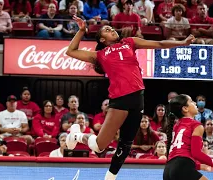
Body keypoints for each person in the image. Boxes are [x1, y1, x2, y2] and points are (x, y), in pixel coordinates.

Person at [65, 15, 195, 180]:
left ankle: (110, 178)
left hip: (138, 97)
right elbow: (71, 51)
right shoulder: (100, 54)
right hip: (119, 100)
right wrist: (82, 30)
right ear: (103, 40)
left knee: (126, 144)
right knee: (99, 146)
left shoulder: (130, 42)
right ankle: (76, 135)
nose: (111, 29)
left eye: (111, 28)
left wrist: (182, 43)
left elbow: (159, 44)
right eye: (107, 30)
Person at [163, 94, 213, 180]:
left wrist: (202, 167)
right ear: (185, 108)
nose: (195, 103)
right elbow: (196, 153)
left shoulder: (176, 126)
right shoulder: (196, 125)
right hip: (182, 167)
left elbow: (179, 157)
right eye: (191, 101)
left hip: (168, 170)